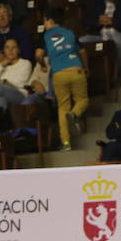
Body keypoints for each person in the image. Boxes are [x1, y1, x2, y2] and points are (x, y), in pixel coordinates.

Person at [41, 8, 88, 151]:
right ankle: (74, 114)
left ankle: (66, 143)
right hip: (76, 70)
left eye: (44, 21)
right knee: (83, 100)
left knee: (62, 108)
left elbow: (38, 54)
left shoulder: (45, 36)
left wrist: (42, 64)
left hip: (59, 74)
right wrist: (86, 67)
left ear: (49, 21)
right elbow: (83, 51)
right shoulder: (70, 33)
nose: (44, 24)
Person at [0, 38, 40, 110]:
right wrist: (0, 64)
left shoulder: (25, 63)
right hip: (1, 93)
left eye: (14, 47)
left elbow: (18, 83)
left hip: (19, 94)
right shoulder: (1, 65)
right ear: (3, 50)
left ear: (18, 50)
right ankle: (2, 120)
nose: (10, 50)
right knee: (0, 100)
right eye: (7, 47)